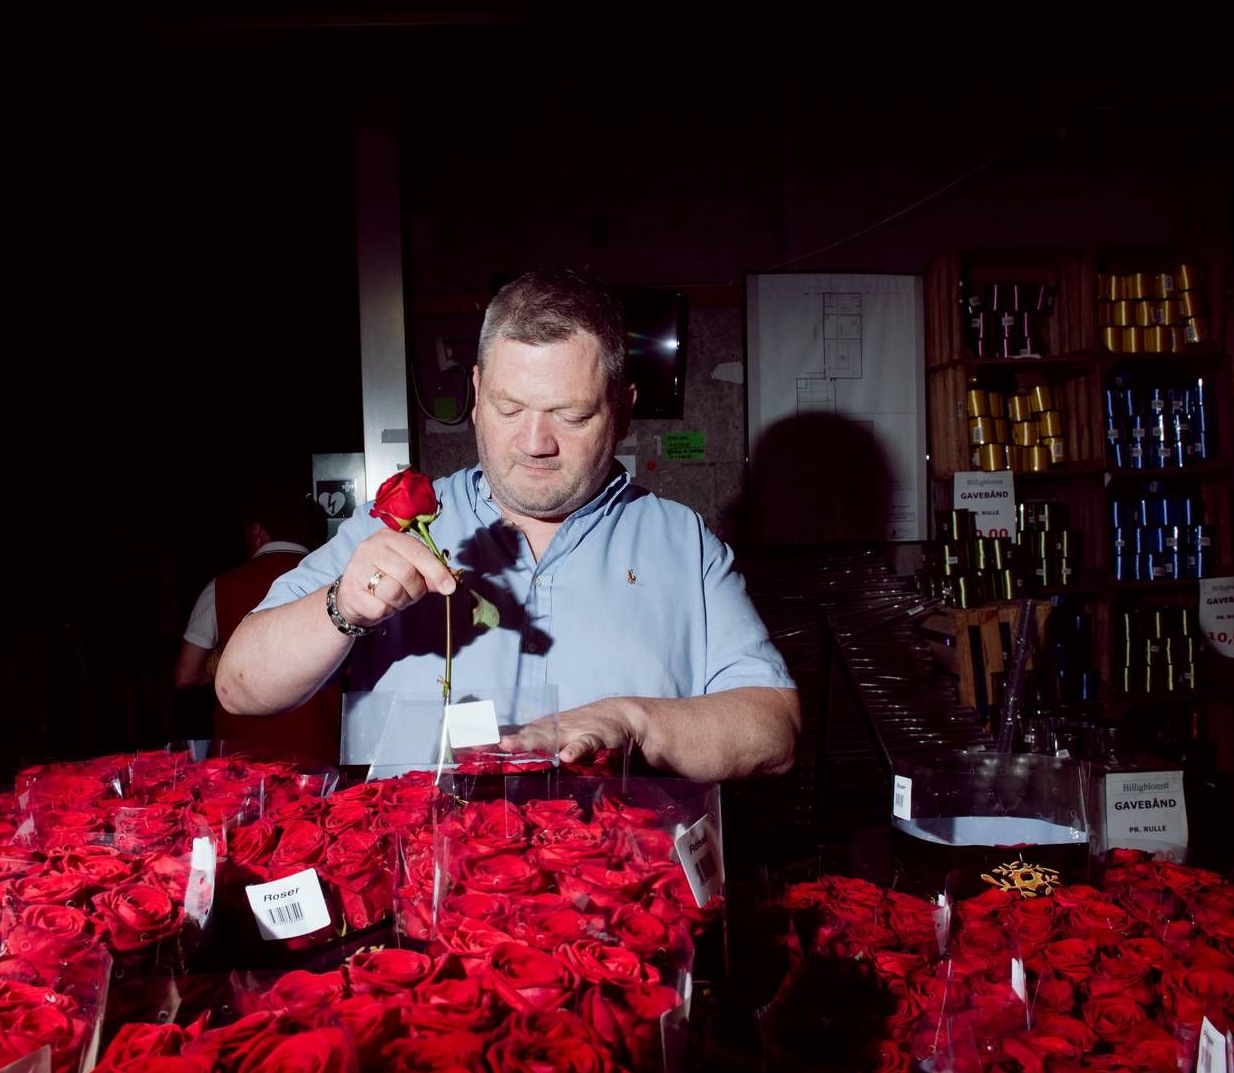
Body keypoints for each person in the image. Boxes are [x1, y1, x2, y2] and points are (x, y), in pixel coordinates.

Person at [216, 268, 799, 781]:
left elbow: (774, 733)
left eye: (571, 415)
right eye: (509, 408)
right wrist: (344, 606)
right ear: (475, 393)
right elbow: (239, 687)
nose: (535, 443)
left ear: (622, 409)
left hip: (617, 895)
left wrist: (633, 723)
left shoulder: (685, 545)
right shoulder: (400, 526)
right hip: (430, 890)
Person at [177, 488, 341, 761]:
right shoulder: (340, 584)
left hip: (241, 762)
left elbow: (186, 675)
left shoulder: (221, 587)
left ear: (256, 532)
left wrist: (221, 659)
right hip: (317, 754)